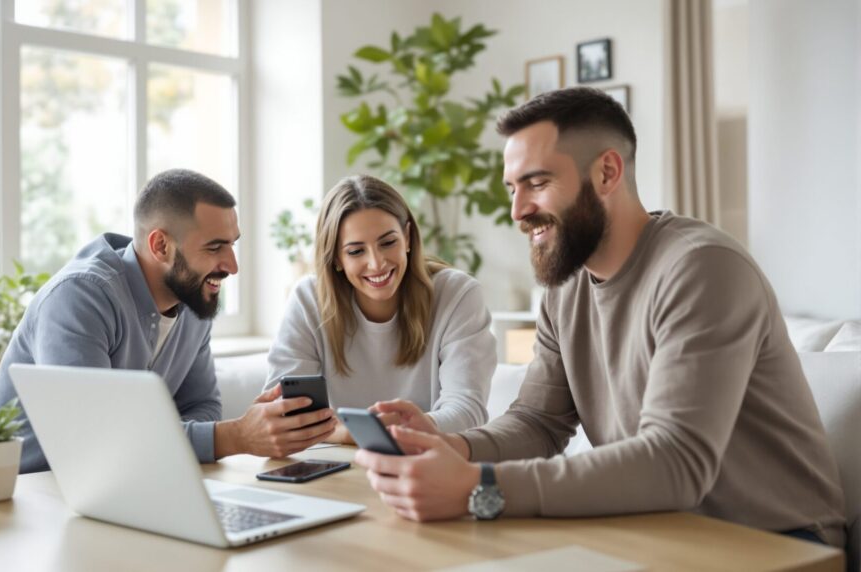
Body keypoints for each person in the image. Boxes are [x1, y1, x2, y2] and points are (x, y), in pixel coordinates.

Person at [354, 87, 847, 547]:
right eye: (512, 188)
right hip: (662, 531)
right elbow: (539, 422)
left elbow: (676, 462)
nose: (518, 210)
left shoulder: (701, 268)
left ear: (607, 173)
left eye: (537, 183)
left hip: (779, 542)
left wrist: (477, 486)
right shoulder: (564, 287)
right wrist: (450, 447)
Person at [0, 169, 335, 482]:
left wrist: (157, 442)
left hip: (112, 493)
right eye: (215, 247)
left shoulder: (194, 298)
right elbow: (93, 439)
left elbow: (201, 405)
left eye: (232, 244)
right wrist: (235, 436)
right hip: (11, 498)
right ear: (160, 245)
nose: (232, 265)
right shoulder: (80, 297)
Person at [265, 175, 495, 443]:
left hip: (424, 457)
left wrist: (389, 431)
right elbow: (282, 411)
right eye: (355, 251)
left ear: (407, 237)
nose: (376, 264)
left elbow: (467, 411)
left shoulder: (457, 294)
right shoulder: (308, 299)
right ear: (336, 257)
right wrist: (358, 433)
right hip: (336, 462)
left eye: (388, 243)